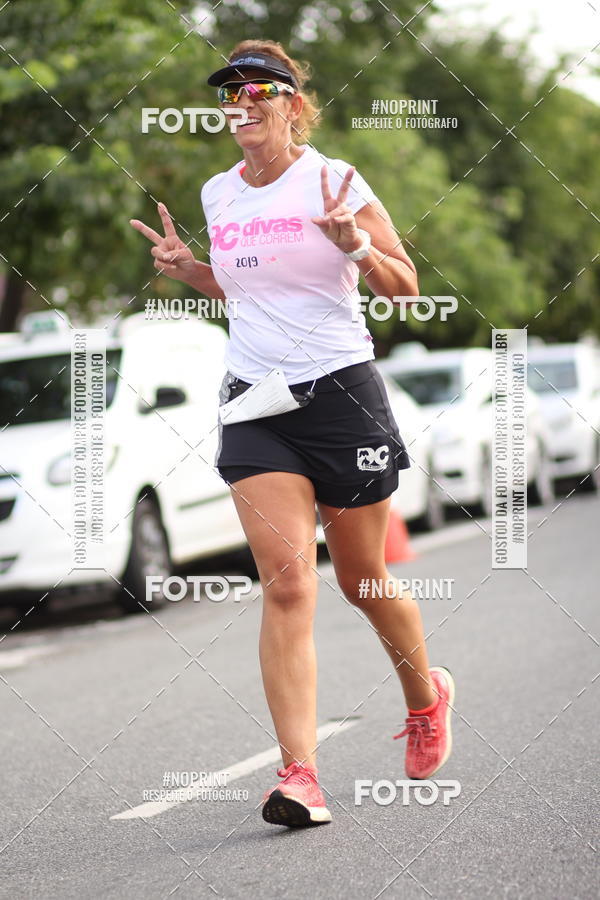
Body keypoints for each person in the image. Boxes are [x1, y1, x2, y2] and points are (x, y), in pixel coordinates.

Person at [130, 39, 454, 829]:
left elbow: (405, 287)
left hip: (343, 395)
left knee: (363, 581)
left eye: (259, 91)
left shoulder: (335, 179)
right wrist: (188, 271)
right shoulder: (217, 194)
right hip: (255, 402)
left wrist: (359, 245)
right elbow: (240, 290)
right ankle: (300, 775)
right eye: (230, 93)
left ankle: (425, 695)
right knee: (286, 581)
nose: (243, 103)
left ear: (293, 105)